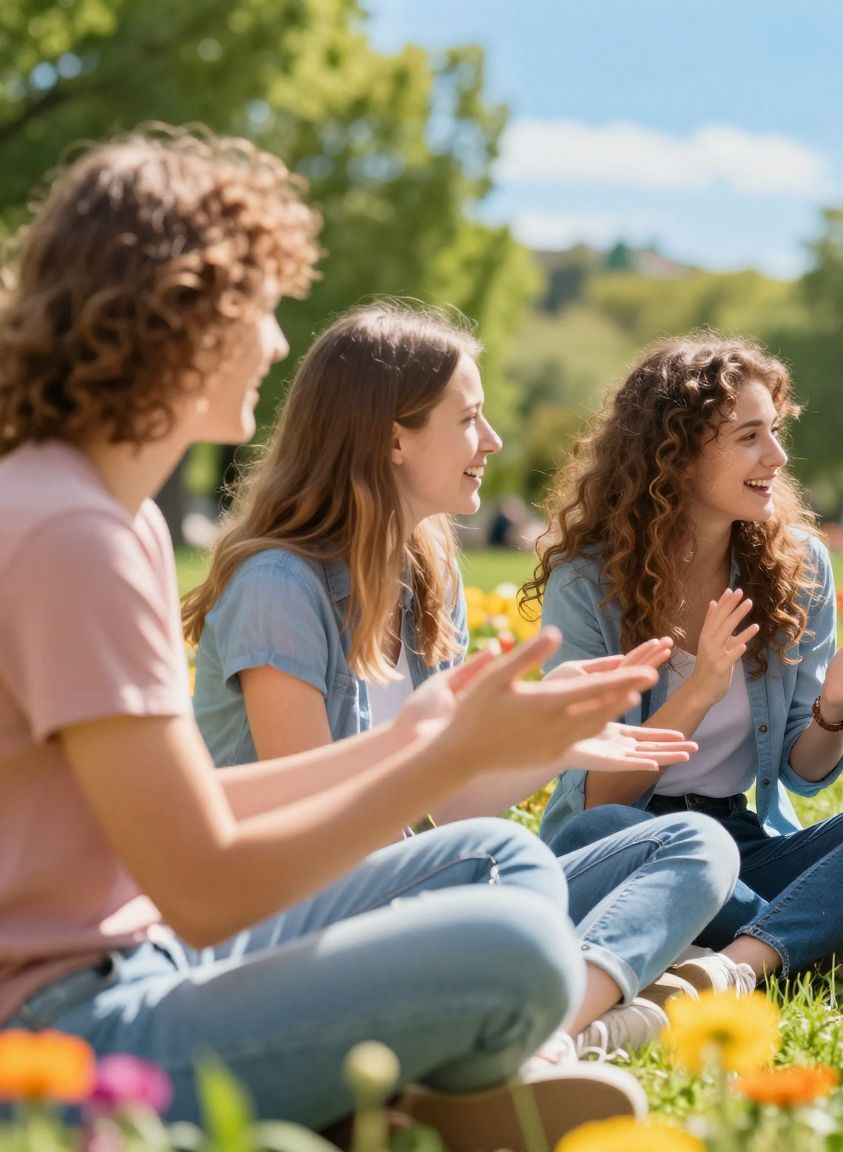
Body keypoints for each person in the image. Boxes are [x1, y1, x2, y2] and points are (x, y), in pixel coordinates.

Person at [0, 128, 656, 1146]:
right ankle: (407, 1094)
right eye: (259, 307)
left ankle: (386, 1097)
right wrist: (442, 755)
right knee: (516, 958)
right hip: (66, 1038)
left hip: (142, 958)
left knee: (490, 858)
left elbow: (182, 809)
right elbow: (206, 886)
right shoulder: (71, 533)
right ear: (183, 313)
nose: (273, 341)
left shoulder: (106, 514)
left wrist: (412, 738)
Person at [183, 303, 739, 1057]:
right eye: (469, 419)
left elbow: (444, 804)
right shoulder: (279, 585)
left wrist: (556, 744)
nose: (493, 441)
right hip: (301, 911)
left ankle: (550, 1020)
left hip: (414, 888)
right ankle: (566, 1007)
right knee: (504, 863)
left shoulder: (424, 574)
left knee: (695, 845)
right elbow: (312, 819)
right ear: (392, 438)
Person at [529, 335, 843, 990]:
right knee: (620, 828)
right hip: (629, 839)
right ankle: (821, 940)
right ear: (678, 454)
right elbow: (596, 800)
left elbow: (802, 774)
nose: (777, 457)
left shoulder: (799, 566)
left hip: (741, 842)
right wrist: (698, 691)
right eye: (750, 436)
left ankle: (731, 955)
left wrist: (831, 710)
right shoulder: (588, 583)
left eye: (775, 432)